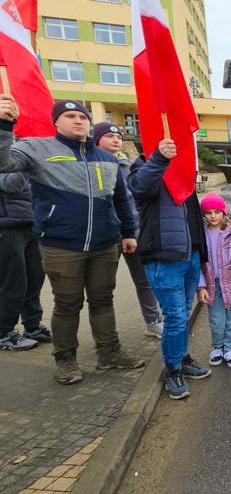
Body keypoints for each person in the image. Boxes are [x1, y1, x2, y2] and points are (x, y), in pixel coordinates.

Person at [0, 96, 143, 385]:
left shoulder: (105, 158)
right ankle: (65, 360)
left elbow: (120, 199)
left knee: (103, 300)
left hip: (105, 243)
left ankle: (109, 353)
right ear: (56, 122)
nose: (78, 121)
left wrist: (128, 231)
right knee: (67, 304)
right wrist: (4, 125)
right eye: (70, 117)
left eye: (83, 118)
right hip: (61, 244)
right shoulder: (37, 148)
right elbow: (4, 165)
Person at [128, 137, 211, 400]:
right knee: (174, 320)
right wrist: (160, 158)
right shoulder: (144, 167)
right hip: (164, 258)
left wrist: (200, 254)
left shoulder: (183, 171)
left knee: (183, 315)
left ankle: (182, 358)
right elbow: (140, 189)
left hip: (190, 257)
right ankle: (172, 370)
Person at [93, 122, 163, 339]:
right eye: (109, 136)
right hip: (106, 236)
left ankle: (153, 321)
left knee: (145, 280)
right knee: (103, 287)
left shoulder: (129, 166)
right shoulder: (92, 165)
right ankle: (106, 336)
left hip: (134, 232)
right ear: (97, 140)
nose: (115, 140)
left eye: (118, 136)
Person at [197, 193, 231, 369]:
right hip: (213, 286)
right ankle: (218, 347)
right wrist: (201, 286)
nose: (213, 216)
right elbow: (198, 264)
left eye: (217, 212)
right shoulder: (201, 234)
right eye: (208, 212)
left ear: (224, 212)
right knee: (216, 319)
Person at [0, 170, 49, 351]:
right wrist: (27, 166)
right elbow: (14, 184)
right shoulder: (16, 165)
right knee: (13, 282)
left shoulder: (15, 162)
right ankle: (4, 332)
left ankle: (32, 325)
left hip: (29, 223)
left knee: (34, 279)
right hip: (6, 227)